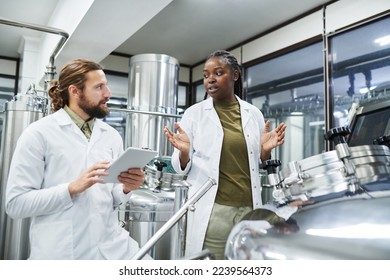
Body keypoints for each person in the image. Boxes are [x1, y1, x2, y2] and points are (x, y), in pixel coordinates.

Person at [5, 59, 146, 260]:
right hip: (62, 253)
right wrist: (71, 188)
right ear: (75, 91)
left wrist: (126, 188)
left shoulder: (111, 135)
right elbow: (16, 205)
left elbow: (111, 198)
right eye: (99, 87)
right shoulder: (38, 134)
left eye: (106, 85)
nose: (108, 93)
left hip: (111, 248)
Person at [164, 50, 287, 259]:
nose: (210, 79)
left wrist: (264, 152)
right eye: (205, 75)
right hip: (214, 212)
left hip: (249, 208)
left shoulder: (253, 113)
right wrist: (184, 152)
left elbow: (254, 161)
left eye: (218, 73)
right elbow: (179, 167)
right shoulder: (194, 114)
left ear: (235, 75)